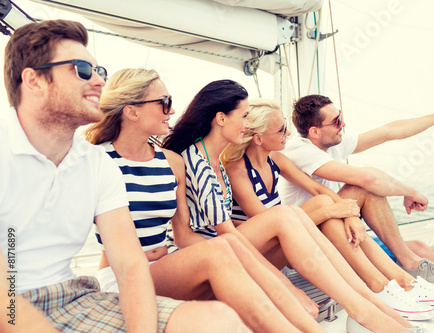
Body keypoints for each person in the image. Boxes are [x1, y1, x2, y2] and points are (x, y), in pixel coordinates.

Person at [0, 19, 245, 333]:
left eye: (99, 72)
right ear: (33, 81)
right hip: (11, 302)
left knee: (218, 322)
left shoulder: (94, 162)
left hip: (74, 296)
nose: (100, 82)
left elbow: (130, 267)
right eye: (82, 69)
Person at [164, 79, 425, 333]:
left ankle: (372, 299)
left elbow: (230, 226)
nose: (247, 124)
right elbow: (200, 235)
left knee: (303, 212)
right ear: (221, 119)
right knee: (288, 215)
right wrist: (285, 285)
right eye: (244, 117)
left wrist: (344, 214)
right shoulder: (196, 161)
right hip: (207, 259)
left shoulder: (214, 160)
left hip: (232, 245)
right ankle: (367, 307)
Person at [84, 68, 324, 333]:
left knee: (233, 261)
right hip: (122, 276)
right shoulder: (96, 161)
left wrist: (283, 285)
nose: (171, 111)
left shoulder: (172, 162)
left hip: (167, 265)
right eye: (164, 103)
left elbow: (182, 235)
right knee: (224, 249)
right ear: (132, 111)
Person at [222, 98, 434, 320]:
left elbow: (319, 190)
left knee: (326, 203)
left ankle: (397, 282)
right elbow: (269, 222)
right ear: (258, 138)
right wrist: (335, 210)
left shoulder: (275, 158)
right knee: (326, 206)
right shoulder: (238, 170)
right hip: (263, 253)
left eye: (286, 126)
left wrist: (348, 214)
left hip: (295, 233)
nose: (287, 133)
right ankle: (385, 285)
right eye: (281, 130)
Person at [279, 94, 434, 290]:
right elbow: (367, 179)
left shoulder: (332, 143)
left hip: (333, 227)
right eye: (336, 121)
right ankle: (408, 263)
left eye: (341, 116)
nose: (343, 124)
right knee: (361, 185)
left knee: (418, 248)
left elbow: (390, 131)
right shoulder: (299, 150)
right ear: (314, 131)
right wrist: (410, 191)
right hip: (311, 241)